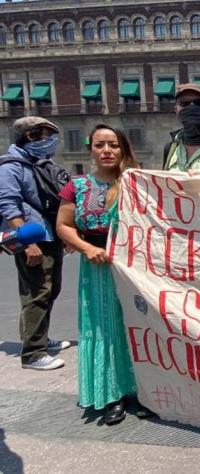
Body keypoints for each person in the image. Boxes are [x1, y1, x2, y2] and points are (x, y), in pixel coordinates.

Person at [56, 124, 149, 425]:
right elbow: (64, 226)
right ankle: (112, 394)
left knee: (139, 327)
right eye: (100, 145)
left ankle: (145, 391)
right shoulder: (76, 186)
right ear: (91, 150)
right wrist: (85, 248)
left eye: (113, 145)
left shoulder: (137, 183)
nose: (106, 150)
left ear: (123, 149)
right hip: (96, 268)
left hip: (135, 267)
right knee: (106, 328)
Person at [0, 116, 70, 371]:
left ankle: (38, 337)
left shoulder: (35, 163)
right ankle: (32, 354)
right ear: (30, 136)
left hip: (48, 236)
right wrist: (28, 243)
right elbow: (8, 205)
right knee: (37, 293)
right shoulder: (11, 166)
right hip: (32, 239)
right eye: (47, 135)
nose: (51, 141)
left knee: (50, 289)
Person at [163, 83, 200, 171]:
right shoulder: (169, 149)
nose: (192, 106)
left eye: (199, 103)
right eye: (184, 103)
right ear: (176, 110)